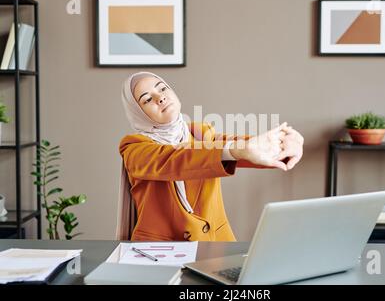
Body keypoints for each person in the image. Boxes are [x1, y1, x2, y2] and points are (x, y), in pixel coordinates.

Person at [117, 72, 303, 241]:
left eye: (163, 88)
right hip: (158, 252)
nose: (160, 97)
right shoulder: (133, 148)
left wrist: (283, 144)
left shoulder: (201, 132)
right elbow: (176, 159)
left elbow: (242, 146)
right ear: (137, 113)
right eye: (147, 99)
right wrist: (236, 150)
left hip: (214, 245)